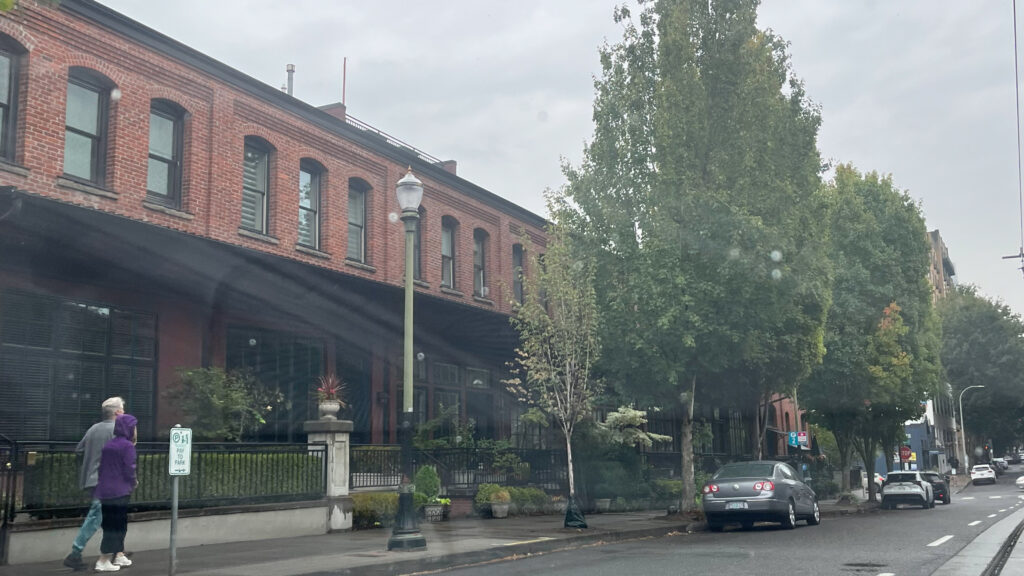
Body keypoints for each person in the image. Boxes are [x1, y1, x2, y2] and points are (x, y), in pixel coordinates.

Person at [63, 396, 124, 571]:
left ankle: (117, 552)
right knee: (96, 517)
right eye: (123, 410)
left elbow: (79, 450)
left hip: (92, 480)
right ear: (118, 412)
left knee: (106, 516)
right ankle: (76, 553)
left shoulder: (93, 429)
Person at [93, 413, 138, 572]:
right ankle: (103, 560)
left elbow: (102, 468)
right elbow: (129, 469)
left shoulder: (108, 445)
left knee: (110, 524)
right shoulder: (127, 446)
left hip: (105, 491)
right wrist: (134, 481)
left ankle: (118, 555)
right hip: (120, 491)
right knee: (118, 526)